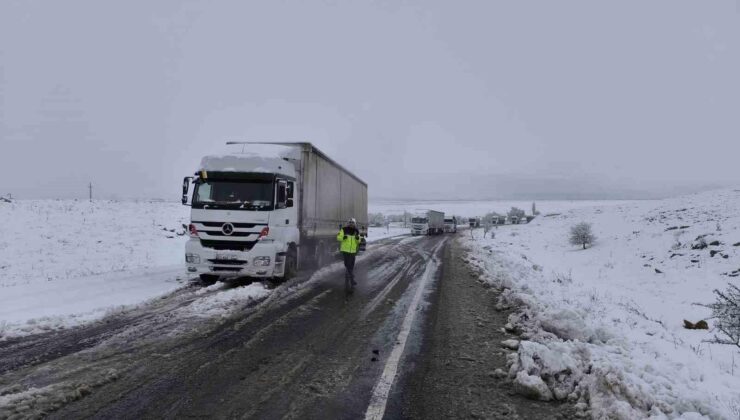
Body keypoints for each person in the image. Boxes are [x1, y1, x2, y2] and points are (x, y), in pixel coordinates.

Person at [337, 218, 361, 293]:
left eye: (352, 223)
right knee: (347, 264)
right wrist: (343, 237)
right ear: (348, 223)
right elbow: (338, 237)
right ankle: (352, 279)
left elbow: (358, 241)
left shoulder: (356, 231)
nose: (351, 224)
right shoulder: (344, 229)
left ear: (355, 223)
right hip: (345, 251)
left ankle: (349, 277)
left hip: (352, 251)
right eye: (350, 223)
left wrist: (357, 238)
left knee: (351, 265)